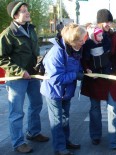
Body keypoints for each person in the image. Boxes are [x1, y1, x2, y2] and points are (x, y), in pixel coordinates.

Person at [0, 1, 49, 153]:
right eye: (22, 11)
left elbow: (34, 51)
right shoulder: (8, 34)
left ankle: (33, 132)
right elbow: (1, 58)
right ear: (15, 16)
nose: (27, 12)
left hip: (33, 75)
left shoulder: (31, 30)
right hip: (17, 79)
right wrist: (19, 71)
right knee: (17, 112)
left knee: (36, 104)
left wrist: (39, 62)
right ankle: (18, 142)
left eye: (26, 9)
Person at [80, 9, 116, 152]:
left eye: (109, 21)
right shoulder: (88, 36)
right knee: (94, 108)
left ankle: (115, 142)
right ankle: (95, 135)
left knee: (113, 109)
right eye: (105, 21)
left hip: (111, 78)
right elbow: (83, 55)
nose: (107, 24)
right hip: (94, 78)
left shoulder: (114, 36)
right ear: (99, 22)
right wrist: (86, 69)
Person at [41, 23, 85, 155]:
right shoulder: (56, 53)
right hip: (54, 92)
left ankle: (65, 141)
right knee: (57, 121)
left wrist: (81, 71)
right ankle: (60, 148)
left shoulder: (74, 49)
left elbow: (75, 66)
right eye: (81, 40)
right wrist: (75, 76)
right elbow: (55, 78)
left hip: (66, 91)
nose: (83, 42)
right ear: (73, 40)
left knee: (65, 118)